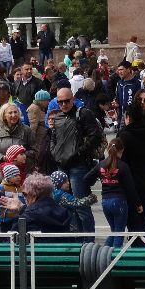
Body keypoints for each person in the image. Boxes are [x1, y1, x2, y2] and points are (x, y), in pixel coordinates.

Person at [48, 87, 104, 233]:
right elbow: (53, 137)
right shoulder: (58, 116)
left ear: (72, 99)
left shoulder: (84, 113)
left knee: (81, 206)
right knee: (66, 205)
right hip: (62, 165)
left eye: (66, 101)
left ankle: (88, 241)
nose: (63, 104)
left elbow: (95, 136)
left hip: (78, 166)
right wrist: (54, 153)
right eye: (60, 102)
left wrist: (78, 153)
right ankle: (76, 238)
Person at [83, 137, 141, 247]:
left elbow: (86, 178)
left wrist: (93, 185)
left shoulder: (101, 165)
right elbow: (130, 188)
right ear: (121, 151)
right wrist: (137, 203)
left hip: (105, 201)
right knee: (119, 232)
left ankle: (104, 255)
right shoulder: (123, 166)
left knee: (114, 231)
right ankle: (114, 258)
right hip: (119, 200)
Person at [117, 92, 145, 230]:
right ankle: (144, 241)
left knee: (133, 216)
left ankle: (137, 243)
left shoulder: (124, 135)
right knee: (144, 211)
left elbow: (118, 160)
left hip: (130, 180)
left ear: (128, 117)